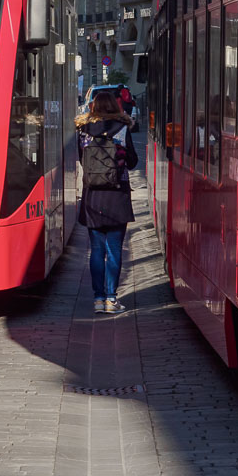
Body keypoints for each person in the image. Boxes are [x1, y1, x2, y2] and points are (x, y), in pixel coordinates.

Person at [76, 90, 138, 315]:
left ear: (93, 107)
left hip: (93, 197)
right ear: (115, 106)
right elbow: (132, 162)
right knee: (114, 249)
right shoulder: (122, 129)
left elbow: (81, 159)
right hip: (117, 196)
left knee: (96, 250)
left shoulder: (83, 131)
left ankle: (98, 299)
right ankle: (112, 298)